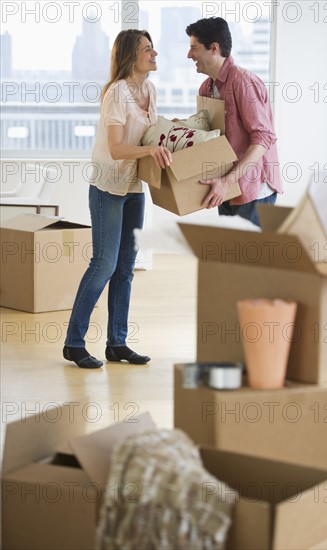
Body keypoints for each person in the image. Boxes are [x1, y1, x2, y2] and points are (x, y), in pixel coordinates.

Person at [63, 29, 172, 369]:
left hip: (134, 187)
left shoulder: (150, 90)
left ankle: (117, 344)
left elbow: (149, 134)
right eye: (146, 50)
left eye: (154, 48)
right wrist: (151, 149)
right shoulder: (117, 93)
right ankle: (74, 343)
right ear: (130, 55)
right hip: (108, 186)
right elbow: (116, 148)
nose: (154, 54)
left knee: (126, 268)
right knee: (104, 264)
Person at [186, 17, 283, 226]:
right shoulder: (206, 89)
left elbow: (264, 139)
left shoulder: (243, 83)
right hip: (226, 185)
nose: (189, 55)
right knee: (230, 256)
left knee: (248, 258)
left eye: (194, 48)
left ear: (214, 48)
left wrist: (228, 180)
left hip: (253, 187)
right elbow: (209, 135)